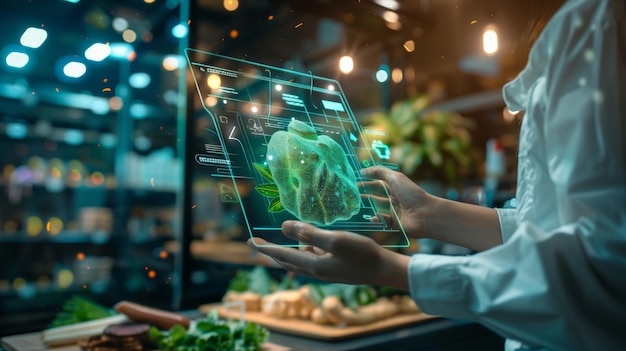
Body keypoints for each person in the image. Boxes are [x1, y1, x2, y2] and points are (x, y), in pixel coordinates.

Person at [248, 0, 626, 350]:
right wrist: (431, 214)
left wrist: (393, 269)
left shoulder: (597, 23)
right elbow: (550, 225)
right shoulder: (587, 25)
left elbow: (604, 273)